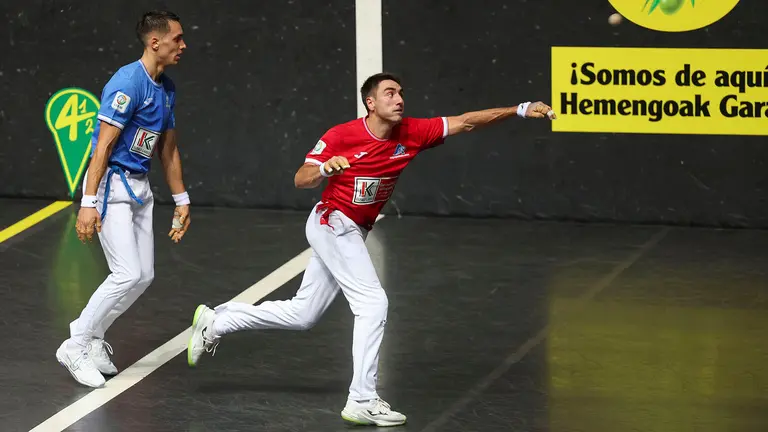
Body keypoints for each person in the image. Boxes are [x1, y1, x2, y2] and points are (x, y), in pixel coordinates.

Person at [186, 72, 556, 426]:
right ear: (370, 102)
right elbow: (301, 178)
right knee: (373, 303)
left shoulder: (412, 132)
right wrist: (326, 170)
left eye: (401, 93)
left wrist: (520, 109)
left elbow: (466, 122)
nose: (399, 99)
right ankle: (362, 400)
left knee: (303, 314)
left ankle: (218, 321)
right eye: (390, 93)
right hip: (332, 223)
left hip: (354, 230)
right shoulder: (341, 135)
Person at [56, 10, 191, 389]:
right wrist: (88, 202)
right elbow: (102, 147)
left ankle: (93, 338)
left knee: (143, 275)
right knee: (126, 273)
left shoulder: (167, 88)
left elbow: (168, 149)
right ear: (155, 42)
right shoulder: (127, 83)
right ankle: (76, 343)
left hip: (139, 189)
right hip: (111, 189)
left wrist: (181, 199)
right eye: (177, 39)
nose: (183, 45)